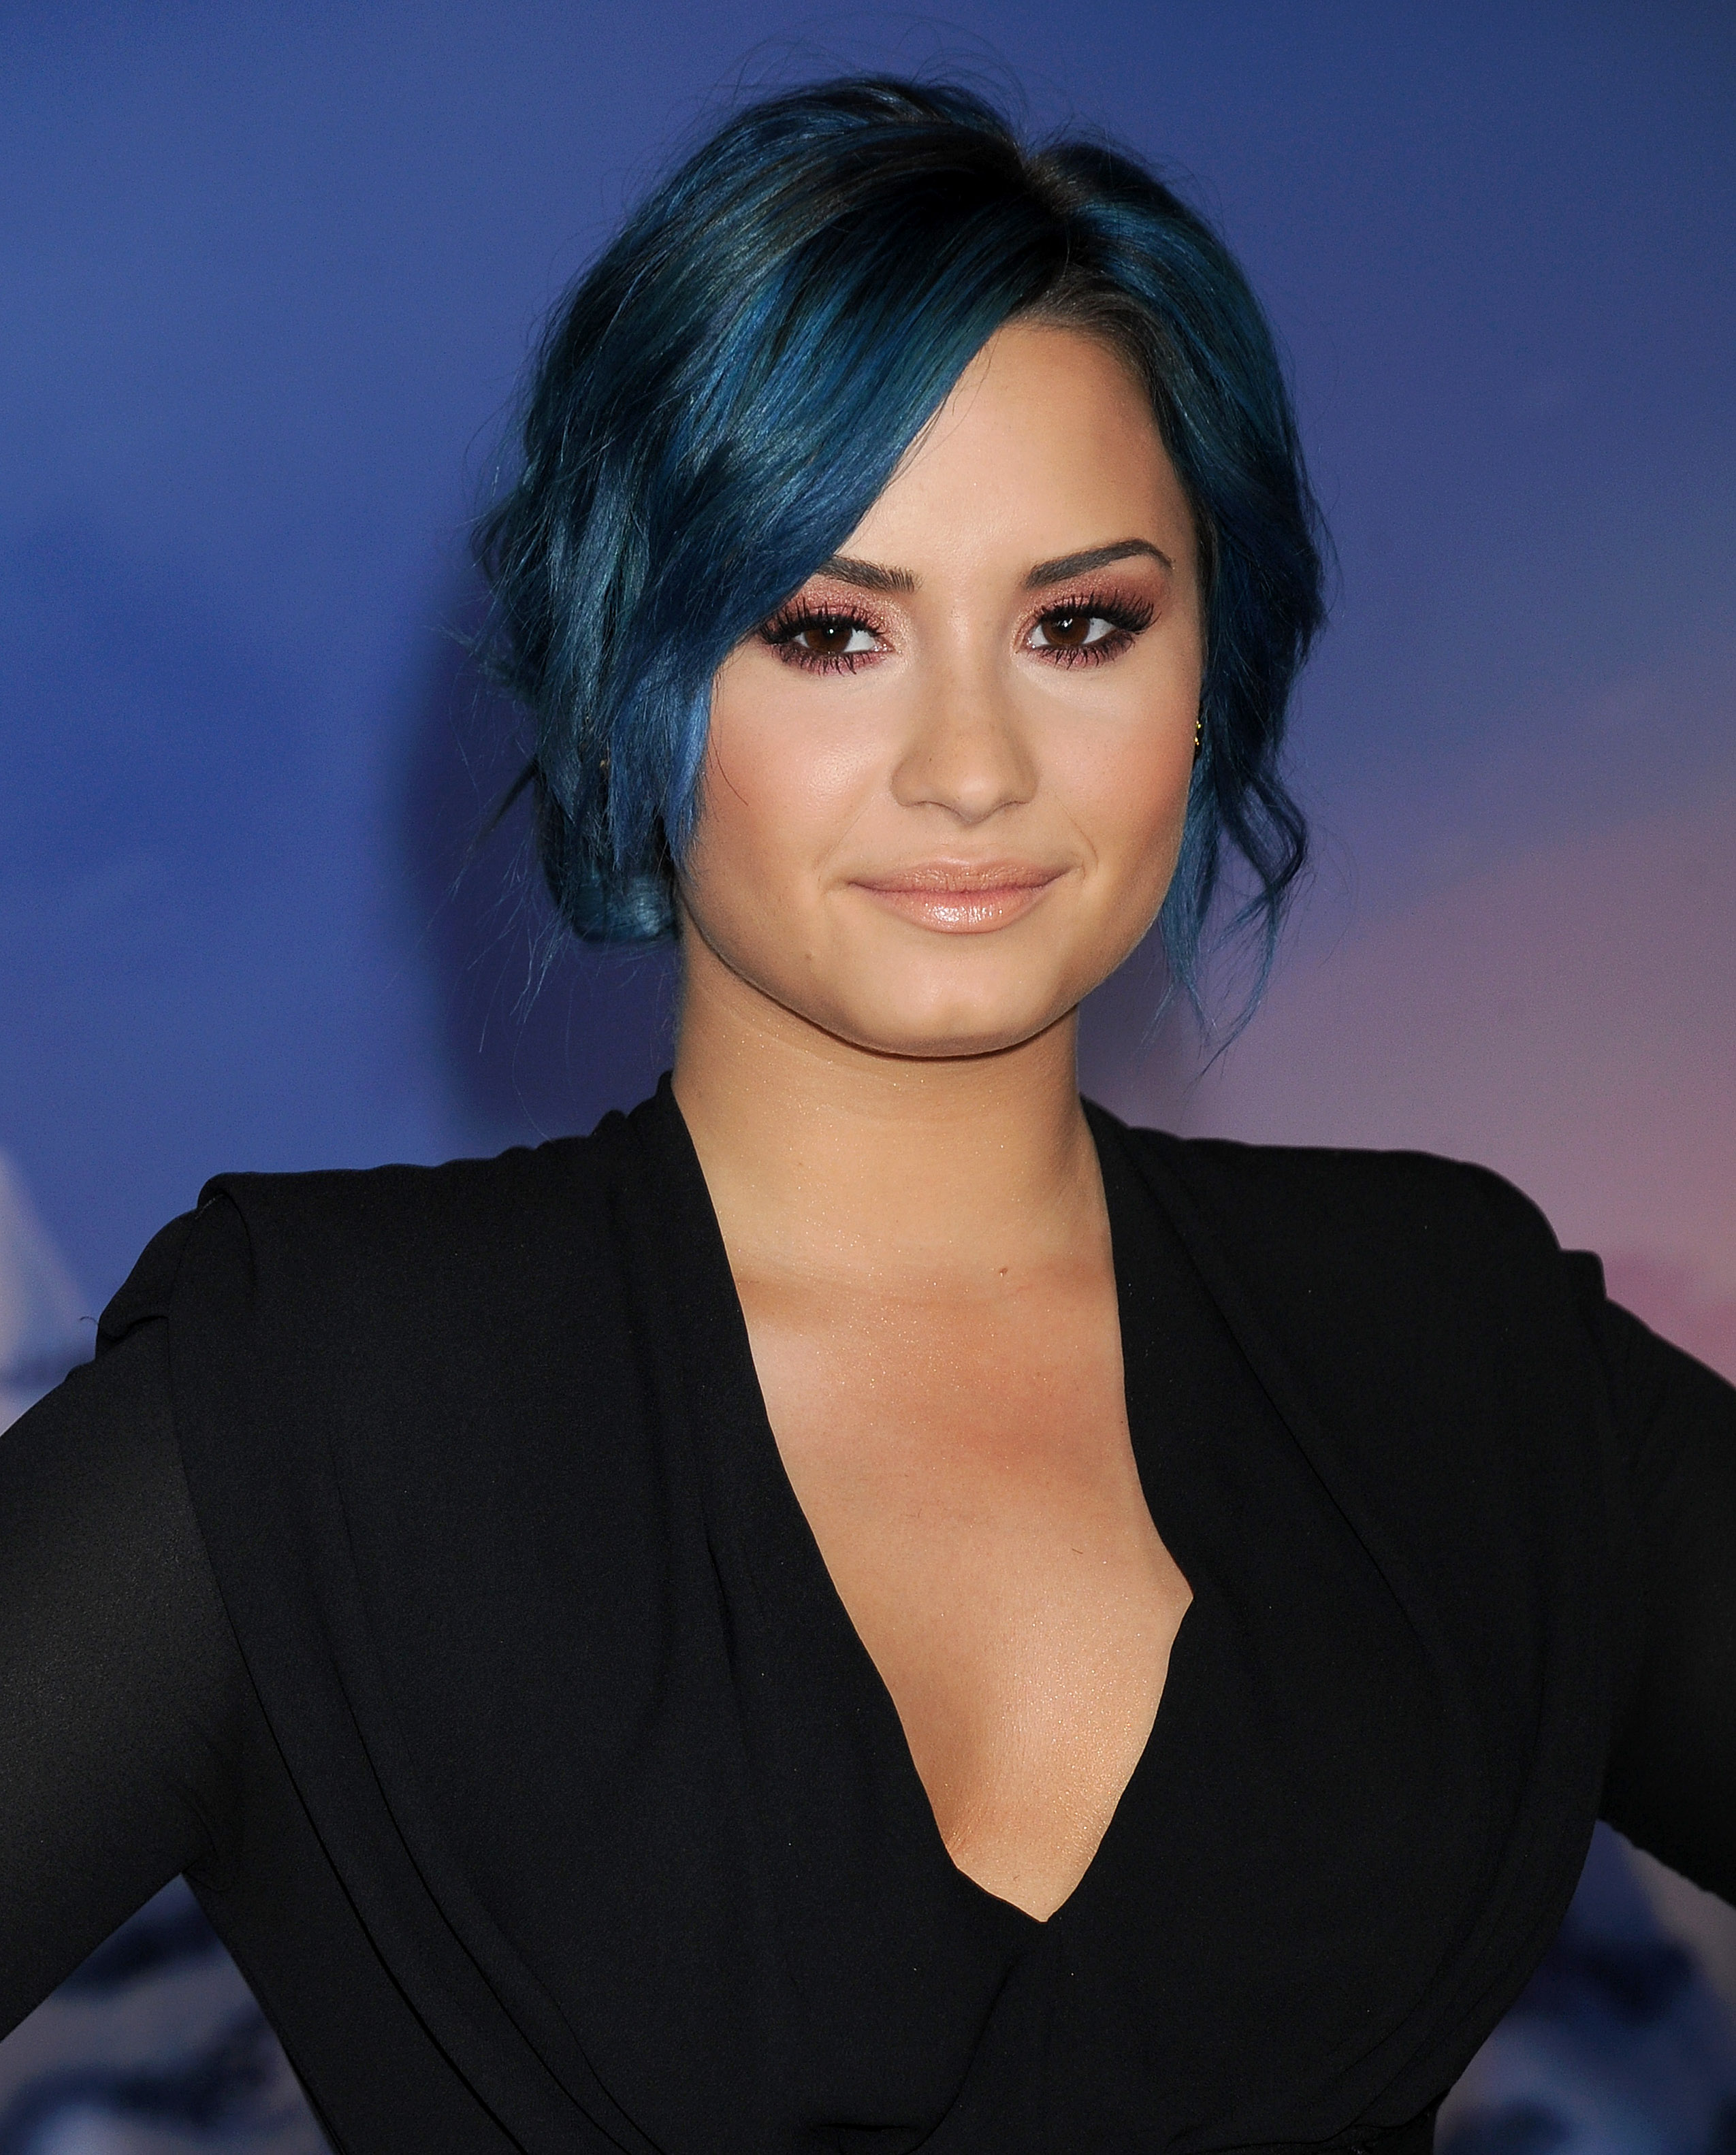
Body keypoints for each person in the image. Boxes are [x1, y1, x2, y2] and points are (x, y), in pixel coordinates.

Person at [1, 74, 1732, 2155]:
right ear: (638, 671)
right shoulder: (317, 1402)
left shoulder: (1450, 1346)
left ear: (1211, 667)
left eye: (1079, 625)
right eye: (831, 632)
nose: (971, 765)